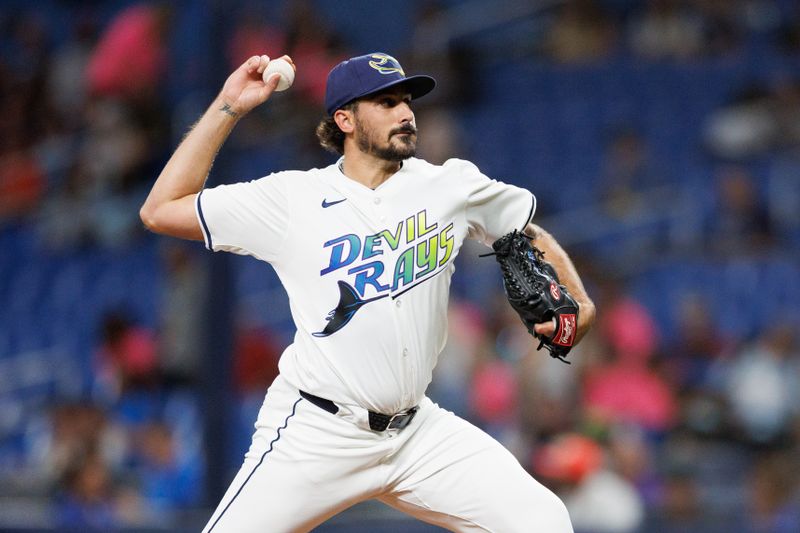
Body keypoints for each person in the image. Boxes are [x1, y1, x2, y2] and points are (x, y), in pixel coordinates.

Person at [140, 52, 596, 532]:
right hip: (319, 430)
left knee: (542, 520)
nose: (405, 112)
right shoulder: (293, 199)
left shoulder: (449, 184)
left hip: (417, 432)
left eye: (406, 100)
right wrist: (229, 107)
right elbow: (161, 209)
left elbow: (525, 231)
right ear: (345, 119)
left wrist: (580, 301)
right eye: (385, 101)